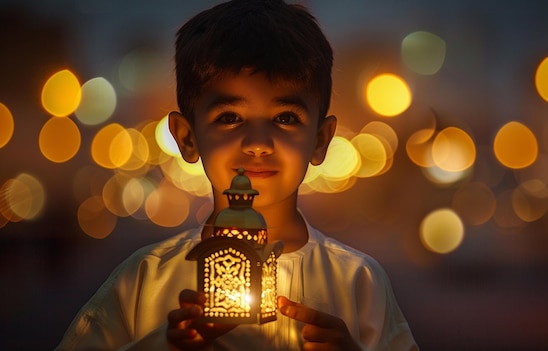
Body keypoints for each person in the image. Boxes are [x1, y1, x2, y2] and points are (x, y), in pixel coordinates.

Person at [56, 0, 419, 350]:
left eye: (285, 118)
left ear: (321, 140)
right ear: (186, 137)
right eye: (229, 118)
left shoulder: (357, 281)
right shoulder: (145, 281)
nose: (258, 144)